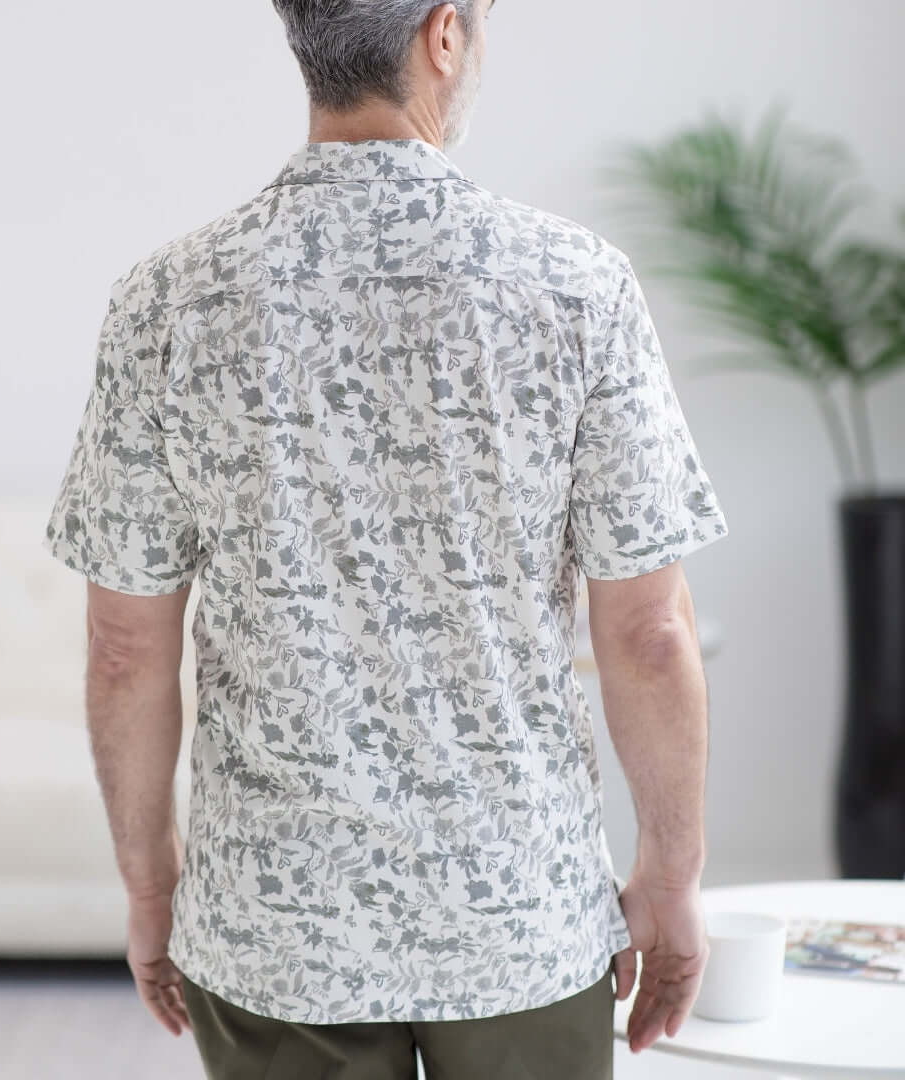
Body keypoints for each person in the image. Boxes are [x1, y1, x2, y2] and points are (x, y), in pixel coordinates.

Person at [42, 0, 729, 1075]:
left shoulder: (165, 304)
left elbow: (125, 647)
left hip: (277, 929)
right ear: (443, 33)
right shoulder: (576, 287)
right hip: (518, 921)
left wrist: (150, 887)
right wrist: (673, 881)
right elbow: (649, 633)